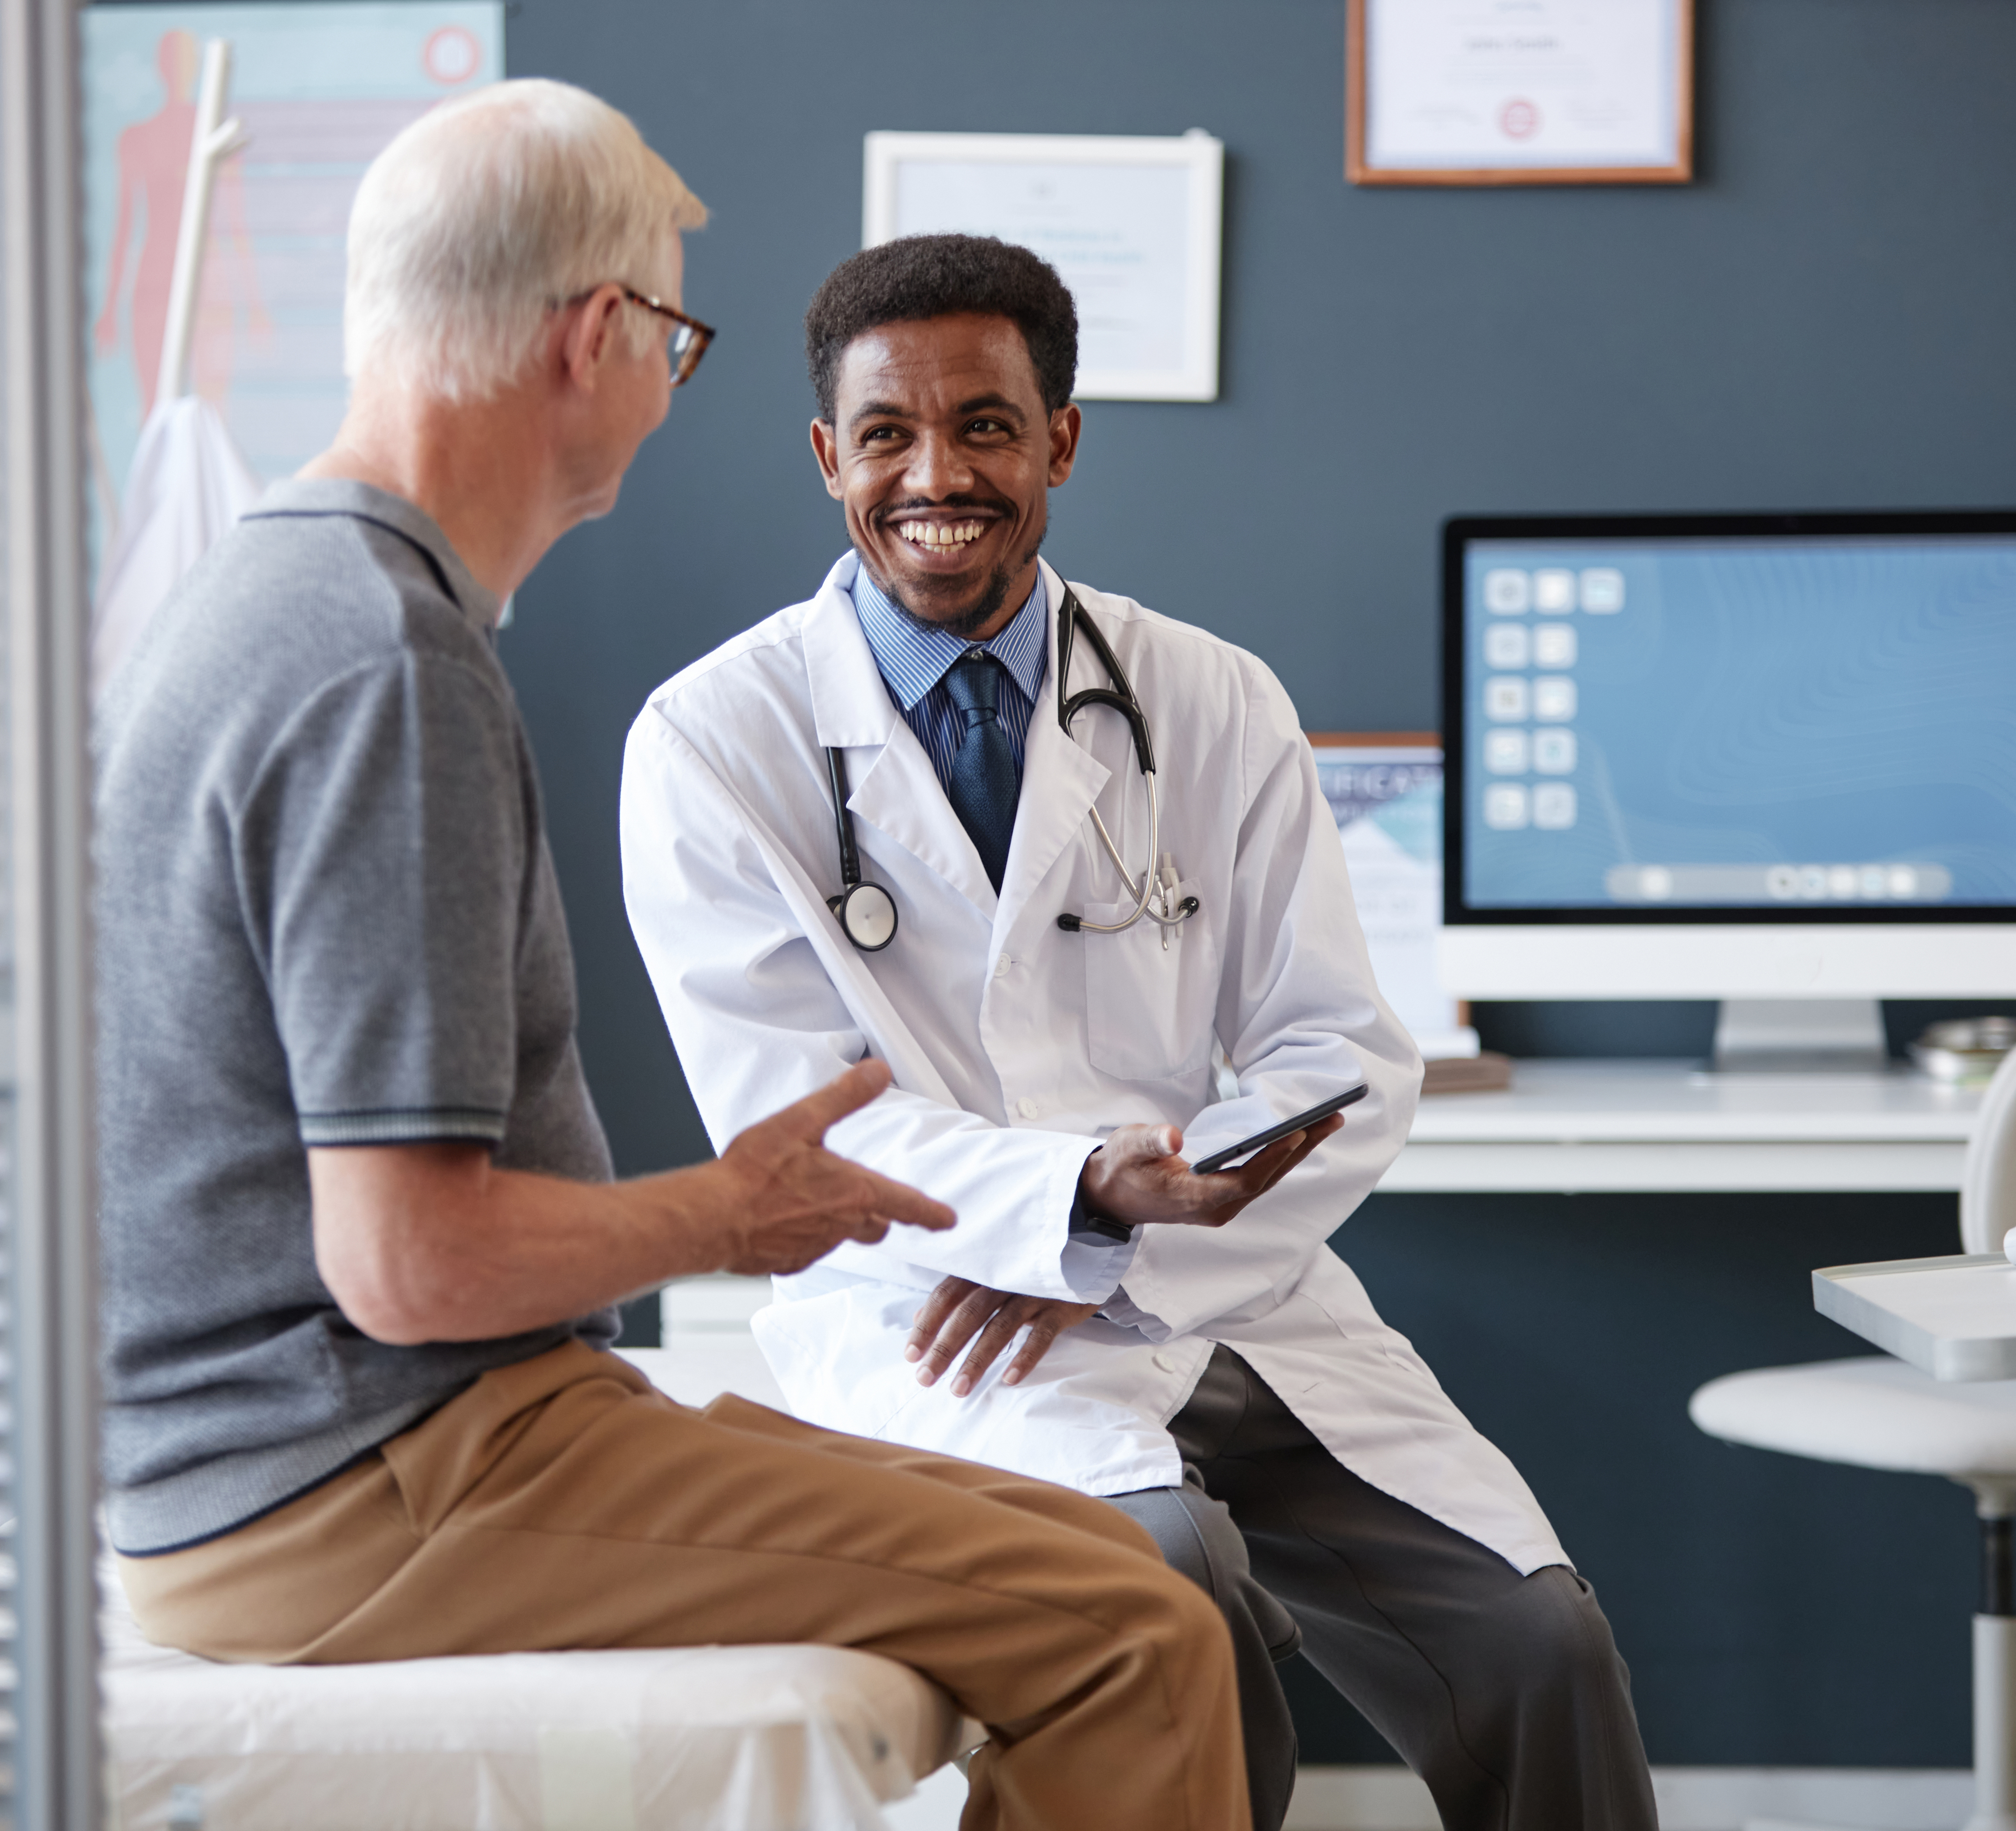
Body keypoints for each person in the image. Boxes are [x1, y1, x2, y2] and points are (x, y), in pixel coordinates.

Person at [93, 83, 1252, 1831]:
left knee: (1095, 1552)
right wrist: (736, 1213)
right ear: (598, 334)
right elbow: (407, 1263)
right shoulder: (381, 666)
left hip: (362, 1442)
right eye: (677, 340)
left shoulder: (299, 599)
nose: (668, 387)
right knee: (1138, 1636)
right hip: (351, 1481)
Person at [619, 233, 1659, 1831]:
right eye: (887, 432)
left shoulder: (1213, 698)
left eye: (984, 424)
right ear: (830, 455)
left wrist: (1126, 1232)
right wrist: (1063, 1205)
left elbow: (1340, 1058)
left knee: (1538, 1637)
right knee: (1178, 1602)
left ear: (1061, 441)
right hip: (935, 1319)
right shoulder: (713, 740)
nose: (935, 472)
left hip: (1230, 1301)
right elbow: (796, 1130)